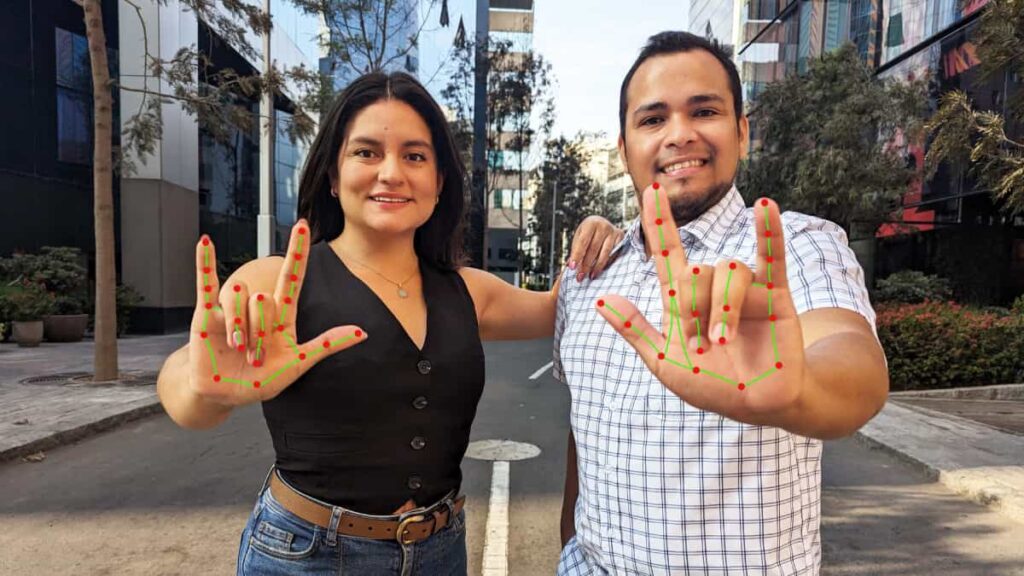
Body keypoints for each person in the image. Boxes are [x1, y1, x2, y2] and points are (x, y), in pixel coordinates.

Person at [156, 71, 622, 576]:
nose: (392, 173)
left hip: (438, 551)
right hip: (305, 555)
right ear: (333, 175)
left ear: (440, 182)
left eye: (415, 156)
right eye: (367, 152)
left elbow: (574, 304)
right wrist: (206, 391)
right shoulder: (277, 281)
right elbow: (188, 390)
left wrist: (601, 237)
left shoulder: (470, 291)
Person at [555, 31, 890, 575]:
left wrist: (795, 387)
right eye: (652, 119)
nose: (679, 135)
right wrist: (567, 545)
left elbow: (856, 368)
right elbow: (583, 429)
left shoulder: (794, 246)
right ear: (623, 148)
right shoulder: (590, 274)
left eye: (704, 111)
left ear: (740, 131)